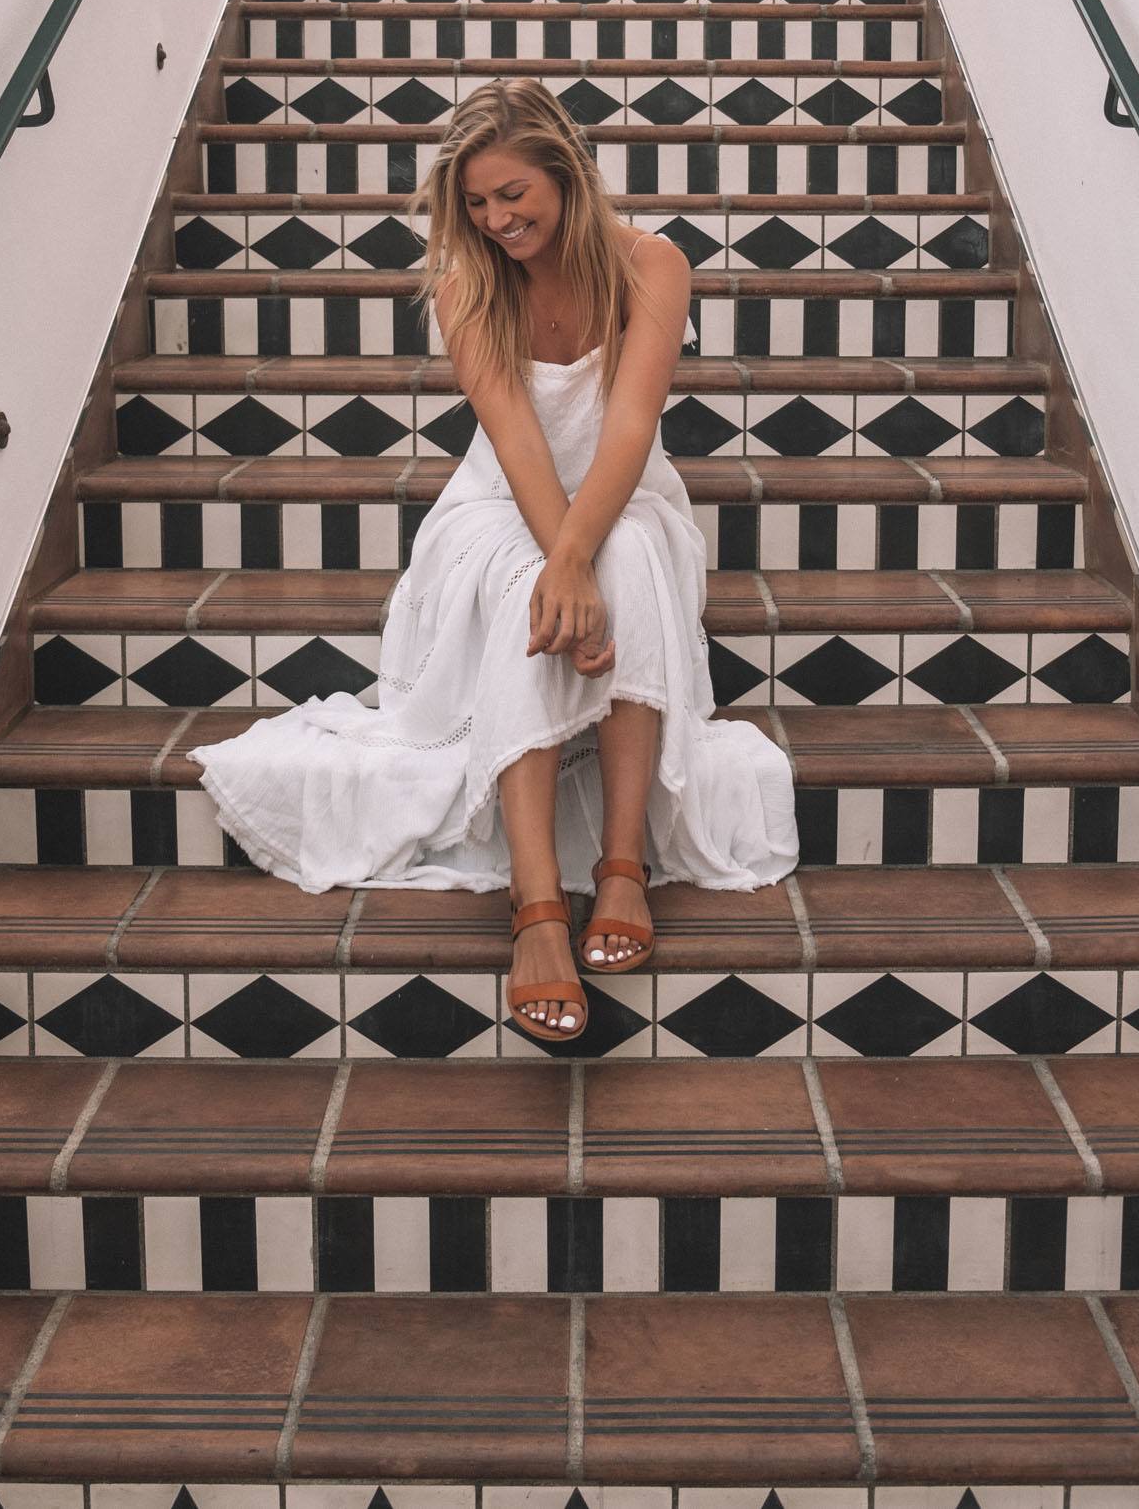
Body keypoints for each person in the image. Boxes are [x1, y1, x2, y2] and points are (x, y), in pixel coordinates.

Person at [188, 78, 799, 1044]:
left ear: (566, 172)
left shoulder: (652, 264)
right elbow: (515, 439)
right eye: (475, 203)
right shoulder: (469, 283)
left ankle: (624, 866)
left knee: (632, 558)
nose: (496, 218)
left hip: (621, 489)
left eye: (513, 194)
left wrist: (582, 561)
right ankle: (537, 908)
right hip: (496, 504)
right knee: (528, 583)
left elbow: (630, 427)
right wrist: (561, 569)